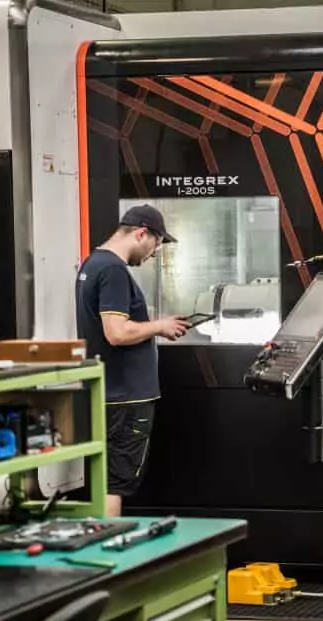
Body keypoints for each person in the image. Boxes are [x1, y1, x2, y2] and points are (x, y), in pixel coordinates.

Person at [75, 204, 190, 517]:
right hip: (124, 398)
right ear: (142, 233)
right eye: (156, 243)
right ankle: (108, 558)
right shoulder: (113, 270)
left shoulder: (93, 264)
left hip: (109, 393)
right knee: (115, 482)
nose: (154, 253)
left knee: (105, 479)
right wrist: (160, 326)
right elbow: (116, 332)